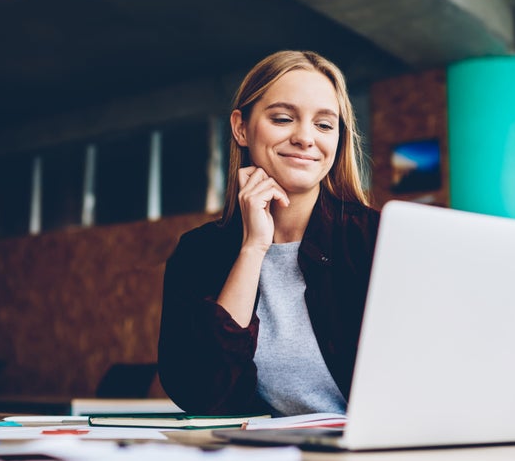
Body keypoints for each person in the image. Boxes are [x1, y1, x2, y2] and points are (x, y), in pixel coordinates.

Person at [158, 50, 380, 416]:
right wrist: (253, 248)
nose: (306, 138)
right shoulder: (200, 252)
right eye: (282, 118)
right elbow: (201, 392)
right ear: (241, 127)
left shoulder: (374, 239)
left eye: (324, 125)